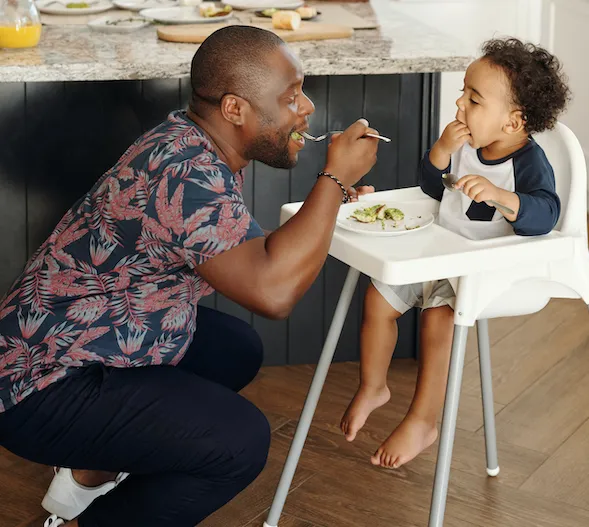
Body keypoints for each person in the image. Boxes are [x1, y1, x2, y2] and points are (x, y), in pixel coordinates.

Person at [0, 26, 379, 527]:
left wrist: (332, 200)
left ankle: (91, 470)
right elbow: (273, 292)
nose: (306, 107)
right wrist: (333, 181)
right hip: (41, 384)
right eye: (291, 97)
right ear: (235, 109)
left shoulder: (189, 138)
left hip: (92, 338)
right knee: (239, 442)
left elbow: (245, 250)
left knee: (234, 348)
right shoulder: (186, 172)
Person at [340, 38, 570, 469]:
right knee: (378, 297)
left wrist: (505, 196)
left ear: (513, 122)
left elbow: (546, 214)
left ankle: (424, 419)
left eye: (474, 99)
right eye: (463, 92)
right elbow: (433, 189)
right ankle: (373, 385)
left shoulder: (529, 164)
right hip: (436, 253)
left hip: (480, 271)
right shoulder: (464, 144)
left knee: (438, 318)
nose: (460, 104)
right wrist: (440, 153)